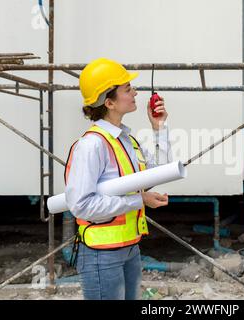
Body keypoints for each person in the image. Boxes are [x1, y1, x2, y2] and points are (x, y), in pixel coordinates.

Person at [64, 57, 172, 300]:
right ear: (109, 102)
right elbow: (81, 205)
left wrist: (159, 128)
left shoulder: (126, 140)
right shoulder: (92, 145)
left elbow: (157, 173)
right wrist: (139, 200)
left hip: (129, 249)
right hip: (101, 255)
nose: (135, 92)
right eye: (127, 89)